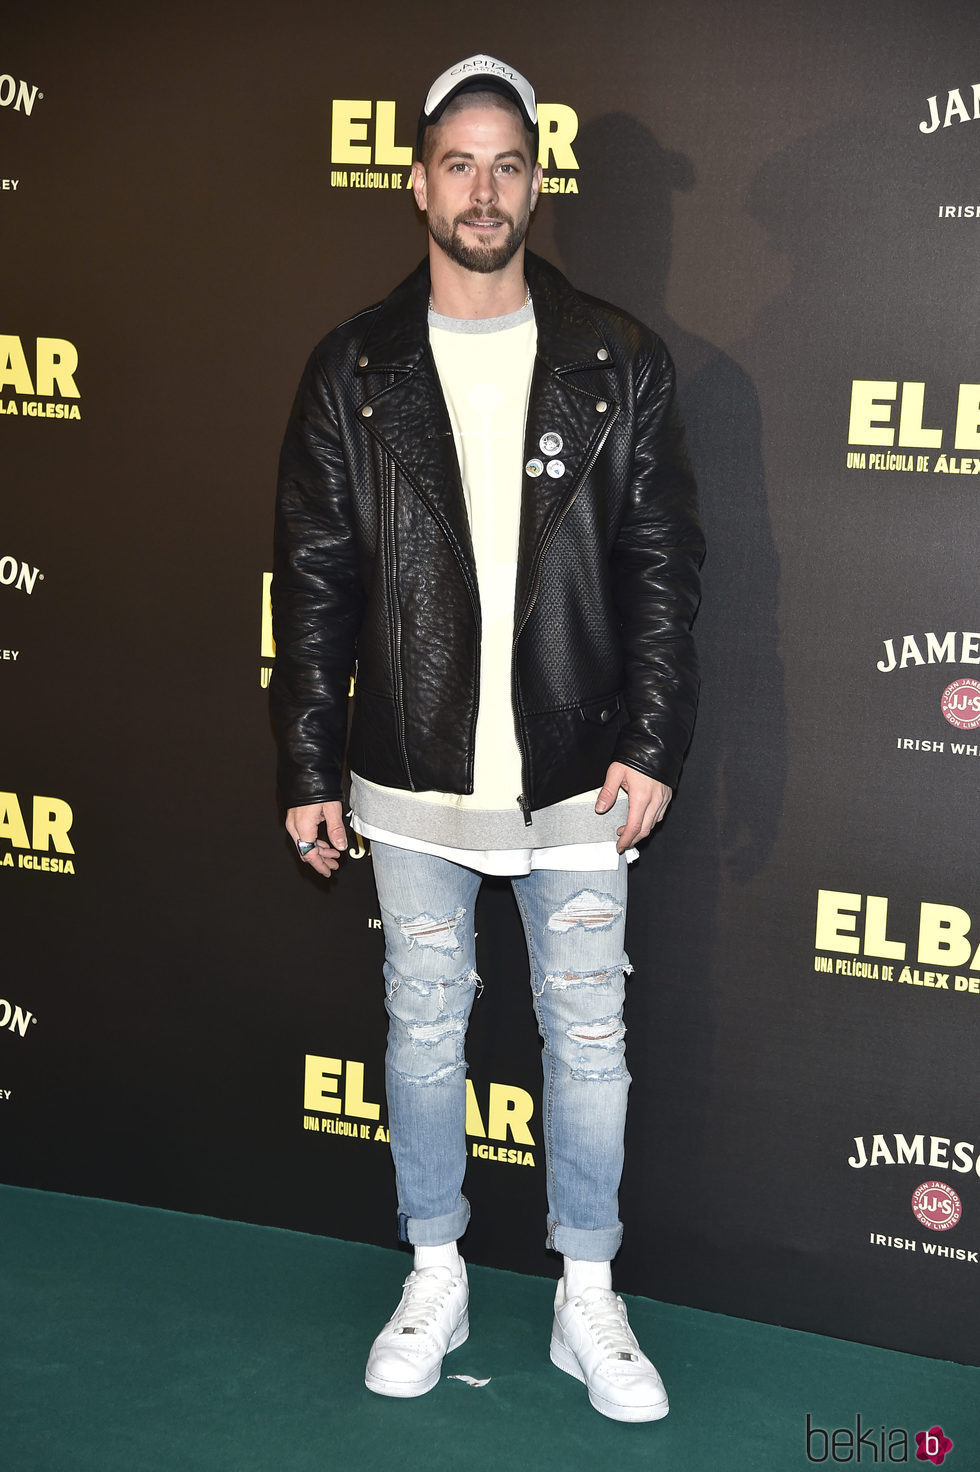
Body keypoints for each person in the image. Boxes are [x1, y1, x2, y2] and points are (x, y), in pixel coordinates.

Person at [271, 53, 703, 1424]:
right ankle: (437, 1268)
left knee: (588, 1040)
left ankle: (587, 1299)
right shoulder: (354, 366)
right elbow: (318, 568)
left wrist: (651, 736)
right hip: (408, 775)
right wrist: (305, 762)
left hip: (581, 773)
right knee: (420, 1030)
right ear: (416, 184)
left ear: (536, 183)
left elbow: (661, 564)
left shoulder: (617, 357)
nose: (484, 187)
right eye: (458, 162)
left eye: (508, 163)